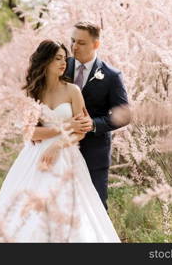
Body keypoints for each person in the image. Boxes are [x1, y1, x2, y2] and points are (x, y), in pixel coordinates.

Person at [0, 40, 120, 242]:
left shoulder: (72, 91)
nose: (63, 63)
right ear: (44, 62)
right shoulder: (31, 92)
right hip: (34, 156)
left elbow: (81, 130)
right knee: (26, 210)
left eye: (64, 58)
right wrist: (66, 125)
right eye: (57, 58)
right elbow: (30, 133)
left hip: (66, 152)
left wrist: (58, 144)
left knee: (69, 207)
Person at [65, 21, 130, 210]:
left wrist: (93, 124)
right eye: (73, 41)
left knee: (95, 208)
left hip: (95, 153)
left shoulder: (111, 75)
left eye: (81, 43)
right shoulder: (60, 68)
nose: (74, 47)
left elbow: (124, 114)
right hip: (62, 149)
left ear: (96, 44)